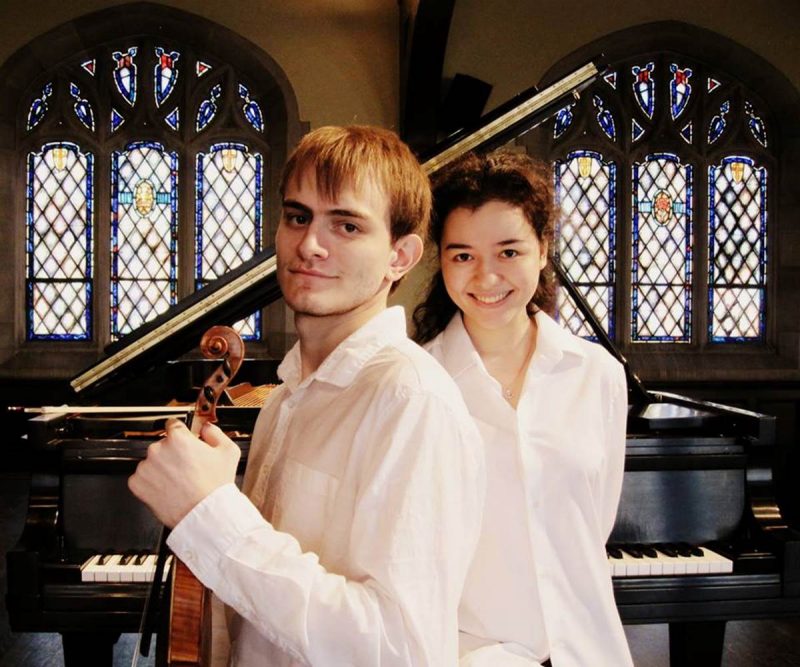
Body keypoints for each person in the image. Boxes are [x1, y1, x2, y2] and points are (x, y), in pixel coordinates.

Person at [129, 126, 484, 666]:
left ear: (400, 256)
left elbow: (398, 650)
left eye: (347, 225)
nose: (309, 245)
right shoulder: (283, 400)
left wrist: (211, 513)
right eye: (298, 217)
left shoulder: (412, 402)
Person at [413, 151, 633, 667]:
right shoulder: (417, 382)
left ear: (543, 249)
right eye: (462, 256)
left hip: (589, 648)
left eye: (508, 252)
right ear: (441, 261)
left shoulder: (597, 374)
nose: (486, 277)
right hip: (468, 654)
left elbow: (593, 523)